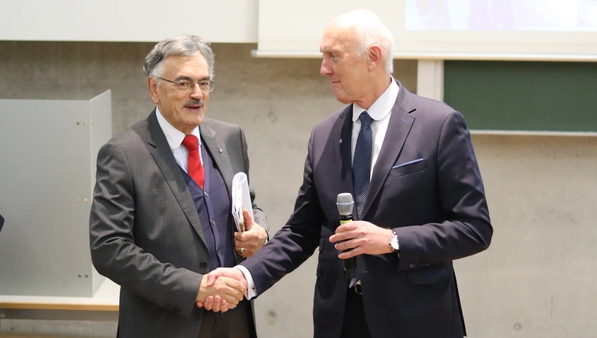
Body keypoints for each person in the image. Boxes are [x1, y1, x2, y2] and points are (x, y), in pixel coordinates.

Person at [205, 9, 492, 338]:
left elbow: (474, 228)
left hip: (416, 320)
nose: (323, 68)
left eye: (333, 57)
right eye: (323, 56)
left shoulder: (438, 125)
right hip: (339, 322)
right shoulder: (324, 134)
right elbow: (302, 231)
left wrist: (392, 240)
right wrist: (245, 276)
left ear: (373, 56)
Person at [89, 34, 268, 338]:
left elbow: (247, 203)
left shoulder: (230, 137)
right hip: (163, 325)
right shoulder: (123, 154)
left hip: (233, 320)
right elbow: (109, 249)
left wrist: (259, 230)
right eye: (183, 83)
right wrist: (193, 287)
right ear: (153, 89)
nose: (197, 94)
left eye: (204, 82)